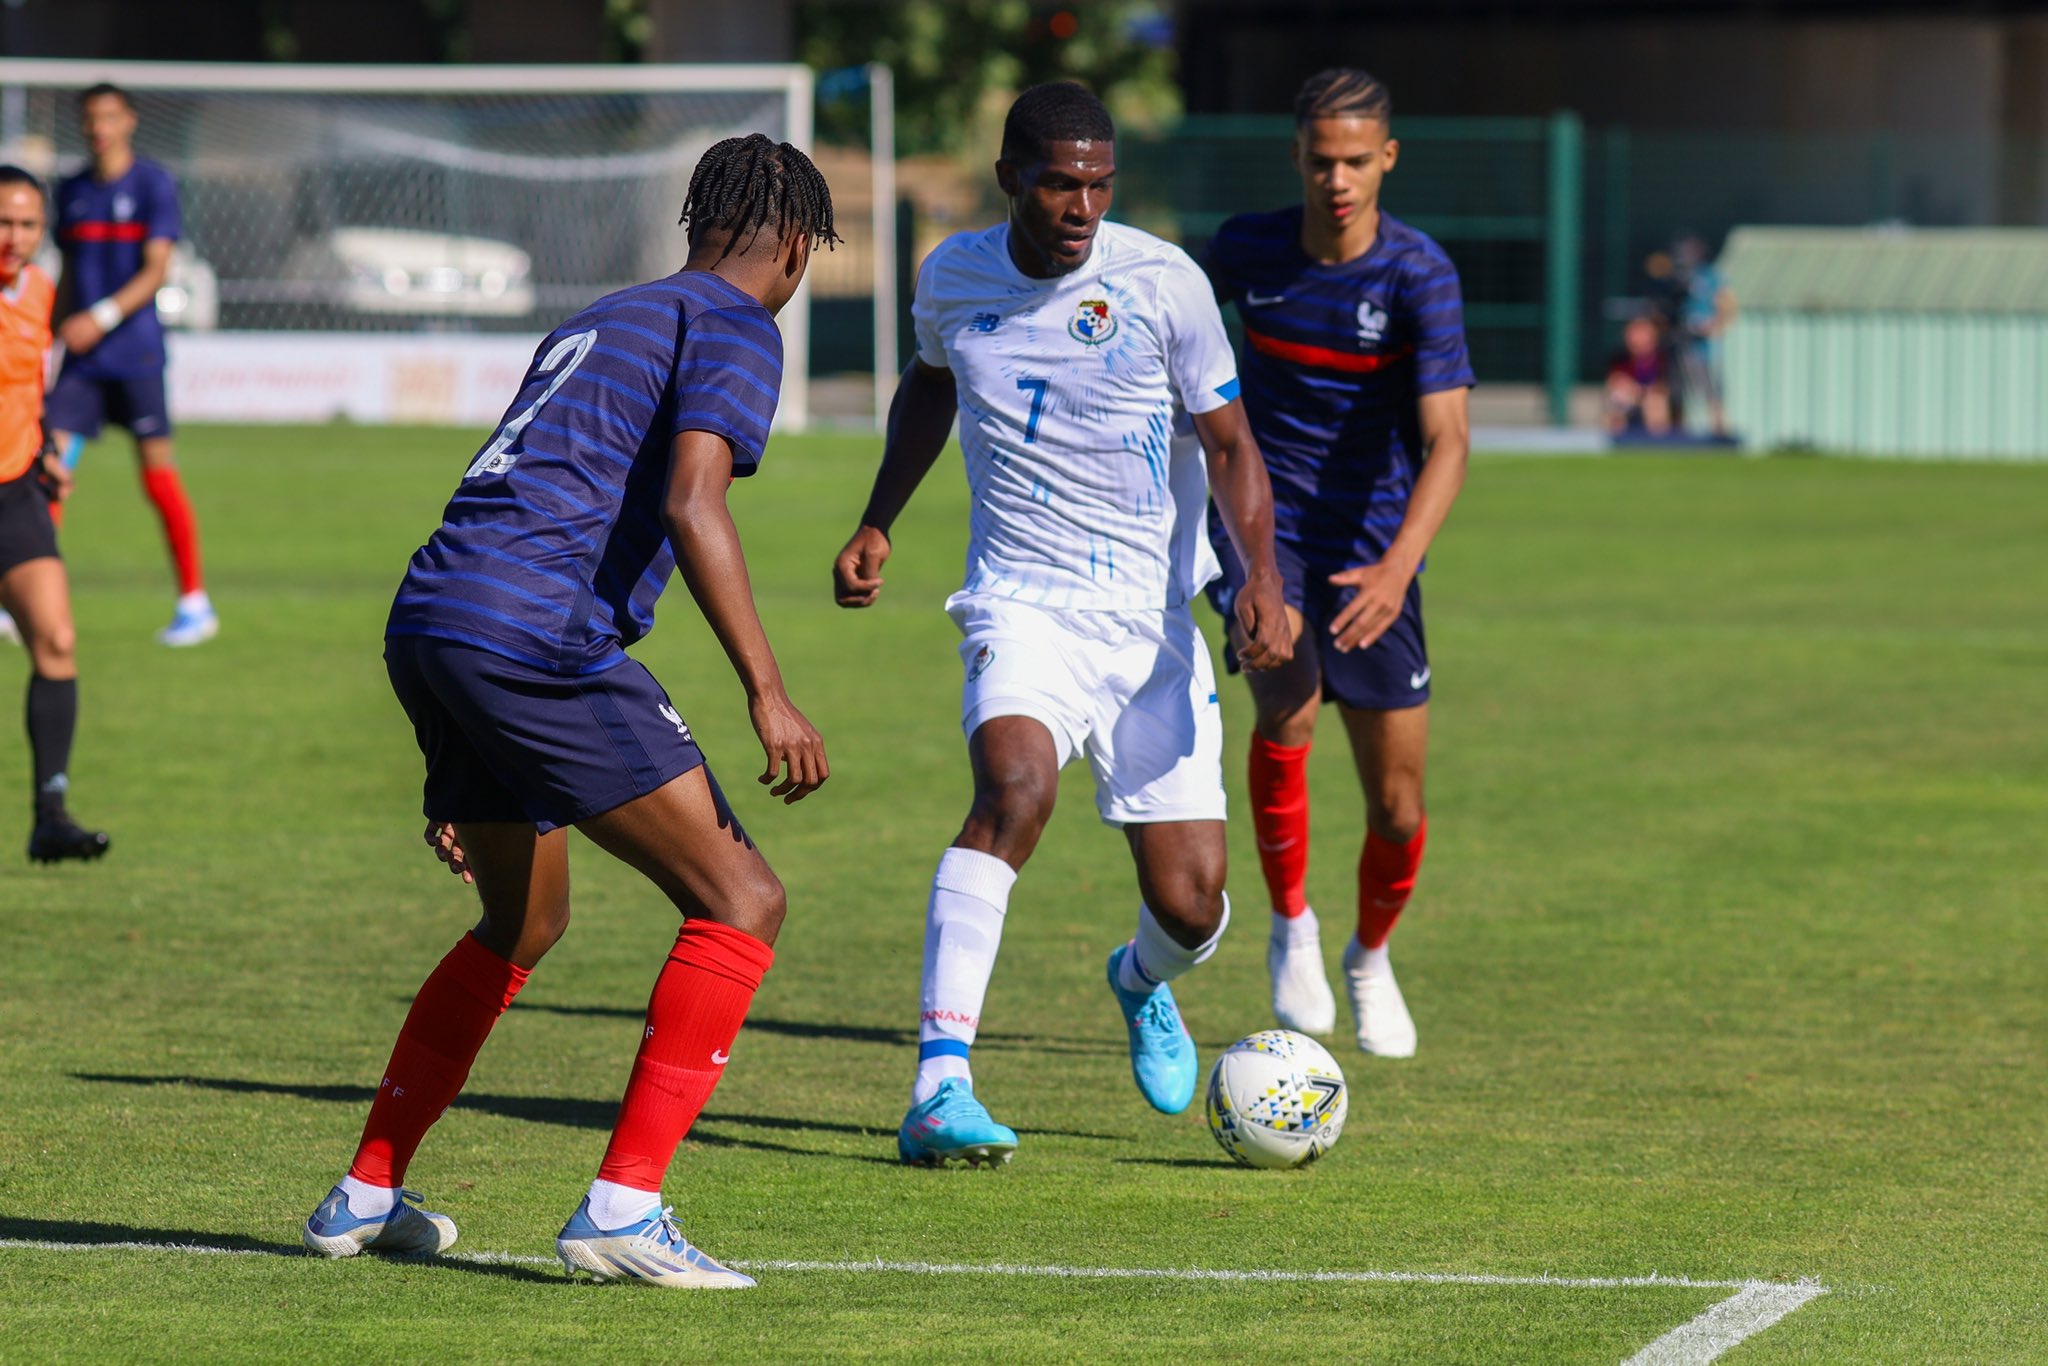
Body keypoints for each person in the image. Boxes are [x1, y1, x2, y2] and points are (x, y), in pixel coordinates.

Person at [300, 134, 837, 1290]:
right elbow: (695, 504)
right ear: (793, 244)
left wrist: (461, 743)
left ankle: (367, 1190)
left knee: (521, 920)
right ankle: (624, 1207)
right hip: (536, 635)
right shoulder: (738, 325)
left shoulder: (609, 313)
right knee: (742, 898)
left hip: (435, 617)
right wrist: (767, 690)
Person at [833, 82, 1291, 1168]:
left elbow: (1229, 444)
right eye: (1058, 182)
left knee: (1192, 904)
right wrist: (875, 520)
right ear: (1008, 180)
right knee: (1013, 791)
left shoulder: (1162, 284)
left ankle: (1138, 980)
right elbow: (928, 388)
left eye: (1097, 183)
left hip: (1150, 622)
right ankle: (939, 1084)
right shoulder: (950, 274)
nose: (1081, 204)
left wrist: (1260, 576)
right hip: (1020, 601)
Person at [1201, 69, 1473, 1058]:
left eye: (1357, 160)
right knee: (1290, 708)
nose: (1337, 179)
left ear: (1386, 158)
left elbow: (1448, 439)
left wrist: (1399, 568)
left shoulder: (1417, 275)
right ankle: (1291, 925)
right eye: (1321, 161)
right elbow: (1165, 332)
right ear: (1296, 158)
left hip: (1375, 551)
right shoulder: (1246, 249)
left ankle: (1368, 955)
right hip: (1264, 537)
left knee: (1397, 808)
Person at [46, 83, 215, 647]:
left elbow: (156, 271)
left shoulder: (151, 184)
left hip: (135, 354)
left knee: (157, 475)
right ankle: (26, 595)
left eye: (109, 117)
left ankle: (194, 602)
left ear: (129, 122)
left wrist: (99, 315)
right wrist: (49, 335)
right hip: (80, 361)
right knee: (48, 473)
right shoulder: (70, 190)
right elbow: (68, 275)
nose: (99, 128)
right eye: (91, 119)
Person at [0, 166, 109, 864]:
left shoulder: (41, 292)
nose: (14, 237)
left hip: (15, 491)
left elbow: (29, 388)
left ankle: (50, 816)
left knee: (57, 639)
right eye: (3, 222)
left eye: (27, 224)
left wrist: (44, 449)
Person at [1671, 234, 1735, 437]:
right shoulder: (1677, 277)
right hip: (1680, 342)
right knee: (1677, 390)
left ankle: (1719, 431)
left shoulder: (1711, 276)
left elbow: (1727, 304)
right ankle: (1675, 433)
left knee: (1711, 390)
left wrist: (1715, 325)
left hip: (1703, 347)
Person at [1606, 315, 1672, 436]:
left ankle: (1658, 444)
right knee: (1618, 398)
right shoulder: (1620, 358)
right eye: (1633, 333)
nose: (1637, 338)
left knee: (1655, 403)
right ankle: (1617, 441)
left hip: (1652, 398)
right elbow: (1615, 381)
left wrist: (1641, 391)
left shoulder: (1663, 357)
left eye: (1642, 333)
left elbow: (1663, 387)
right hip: (1630, 398)